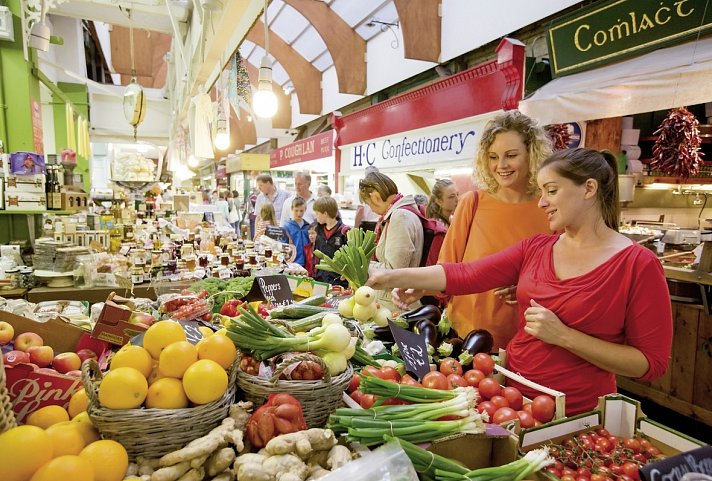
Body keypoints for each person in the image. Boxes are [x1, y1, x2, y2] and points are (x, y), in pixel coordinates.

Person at [367, 148, 673, 415]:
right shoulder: (537, 247)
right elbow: (467, 273)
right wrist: (389, 276)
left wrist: (564, 336)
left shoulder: (638, 265)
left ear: (589, 188)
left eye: (551, 191)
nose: (542, 203)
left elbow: (650, 364)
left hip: (577, 411)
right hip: (509, 396)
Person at [438, 110, 553, 350]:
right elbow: (446, 268)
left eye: (511, 155)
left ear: (531, 155)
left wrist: (528, 287)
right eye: (492, 156)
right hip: (464, 335)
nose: (501, 165)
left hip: (525, 341)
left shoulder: (550, 209)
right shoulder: (473, 203)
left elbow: (560, 279)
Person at [359, 171, 423, 311]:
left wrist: (359, 268)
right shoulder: (398, 214)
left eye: (369, 204)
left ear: (375, 197)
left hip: (395, 307)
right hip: (391, 304)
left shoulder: (400, 217)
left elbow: (393, 272)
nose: (371, 209)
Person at [312, 196, 350, 287]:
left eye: (317, 213)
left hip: (338, 282)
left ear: (325, 213)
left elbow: (349, 259)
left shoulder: (344, 232)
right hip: (320, 279)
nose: (316, 216)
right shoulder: (318, 230)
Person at [282, 197, 311, 267]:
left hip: (307, 262)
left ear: (305, 210)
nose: (299, 213)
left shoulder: (308, 227)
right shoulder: (286, 227)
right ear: (292, 209)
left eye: (301, 211)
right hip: (293, 263)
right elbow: (283, 247)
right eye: (296, 210)